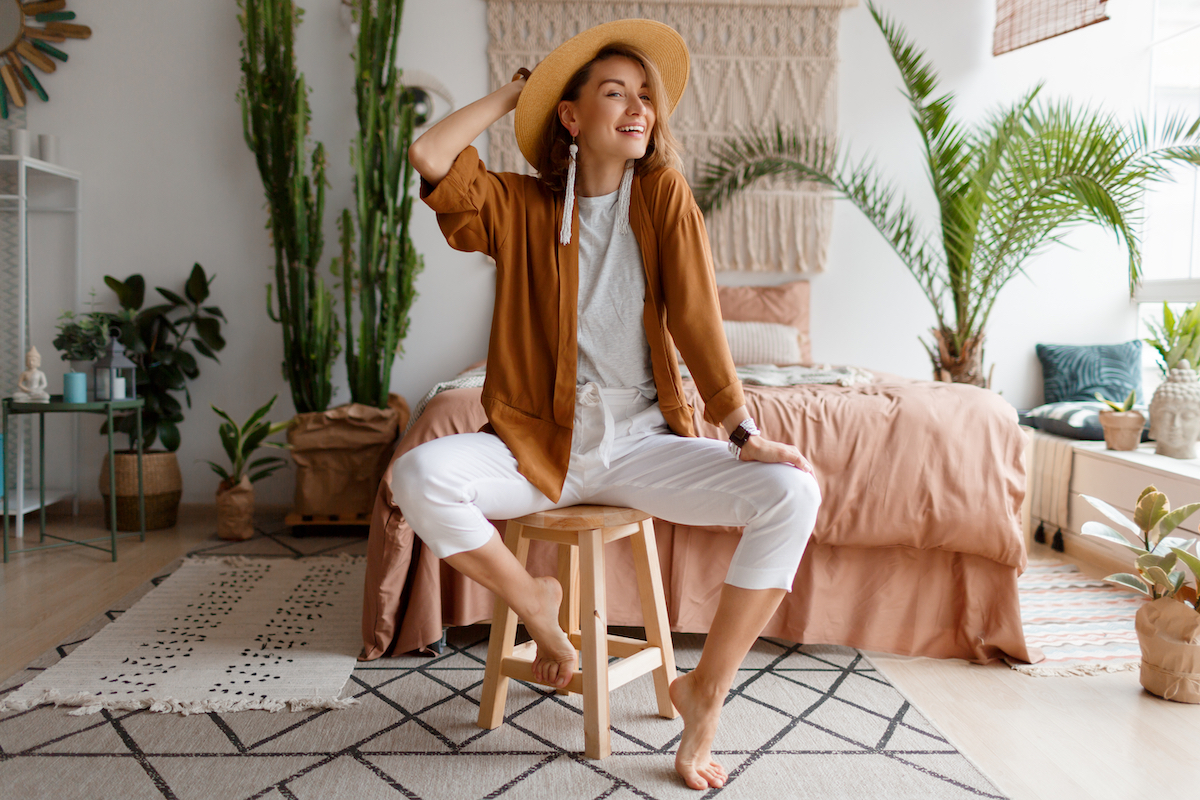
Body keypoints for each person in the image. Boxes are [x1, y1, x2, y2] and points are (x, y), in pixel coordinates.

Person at [399, 18, 821, 791]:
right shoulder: (521, 207)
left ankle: (705, 693)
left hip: (638, 445)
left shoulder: (660, 194)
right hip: (538, 449)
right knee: (417, 475)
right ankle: (534, 597)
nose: (639, 109)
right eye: (614, 93)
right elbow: (430, 158)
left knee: (793, 491)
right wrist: (517, 92)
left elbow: (696, 315)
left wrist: (741, 430)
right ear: (572, 115)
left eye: (646, 97)